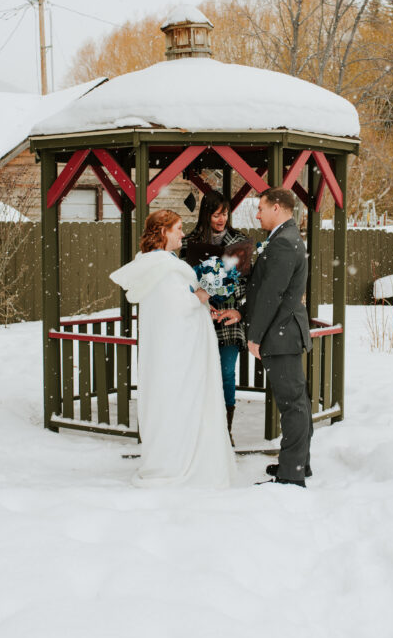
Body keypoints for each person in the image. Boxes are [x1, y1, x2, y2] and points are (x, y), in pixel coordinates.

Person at [110, 209, 236, 489]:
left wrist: (201, 299)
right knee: (181, 405)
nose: (182, 233)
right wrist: (205, 291)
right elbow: (178, 308)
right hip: (179, 357)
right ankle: (178, 462)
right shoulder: (164, 269)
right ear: (164, 232)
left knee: (171, 403)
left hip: (167, 354)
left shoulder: (158, 265)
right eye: (177, 228)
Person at [216, 188, 313, 487]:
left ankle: (292, 475)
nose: (257, 214)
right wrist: (242, 313)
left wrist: (254, 337)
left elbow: (273, 296)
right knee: (297, 401)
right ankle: (297, 463)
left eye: (261, 208)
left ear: (278, 208)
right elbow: (264, 290)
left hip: (281, 334)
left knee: (293, 404)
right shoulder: (283, 238)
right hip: (283, 330)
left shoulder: (284, 242)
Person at [180, 191, 249, 444]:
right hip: (200, 315)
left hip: (228, 317)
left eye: (225, 213)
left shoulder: (239, 241)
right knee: (199, 373)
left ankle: (224, 431)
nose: (221, 219)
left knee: (227, 372)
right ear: (206, 214)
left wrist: (227, 290)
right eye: (216, 214)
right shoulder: (189, 242)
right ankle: (201, 428)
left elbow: (247, 282)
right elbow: (184, 280)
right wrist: (202, 295)